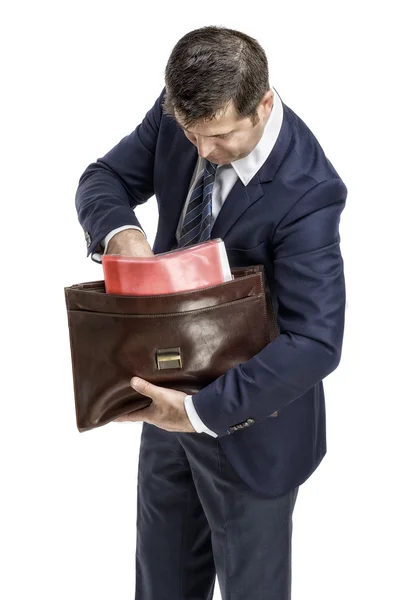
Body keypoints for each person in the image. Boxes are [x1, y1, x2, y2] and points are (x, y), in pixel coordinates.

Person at [75, 25, 347, 600]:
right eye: (190, 133)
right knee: (161, 585)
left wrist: (200, 411)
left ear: (263, 104)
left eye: (220, 136)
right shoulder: (184, 114)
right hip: (164, 398)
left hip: (250, 428)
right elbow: (103, 179)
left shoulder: (309, 190)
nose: (202, 151)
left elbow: (317, 340)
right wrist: (122, 234)